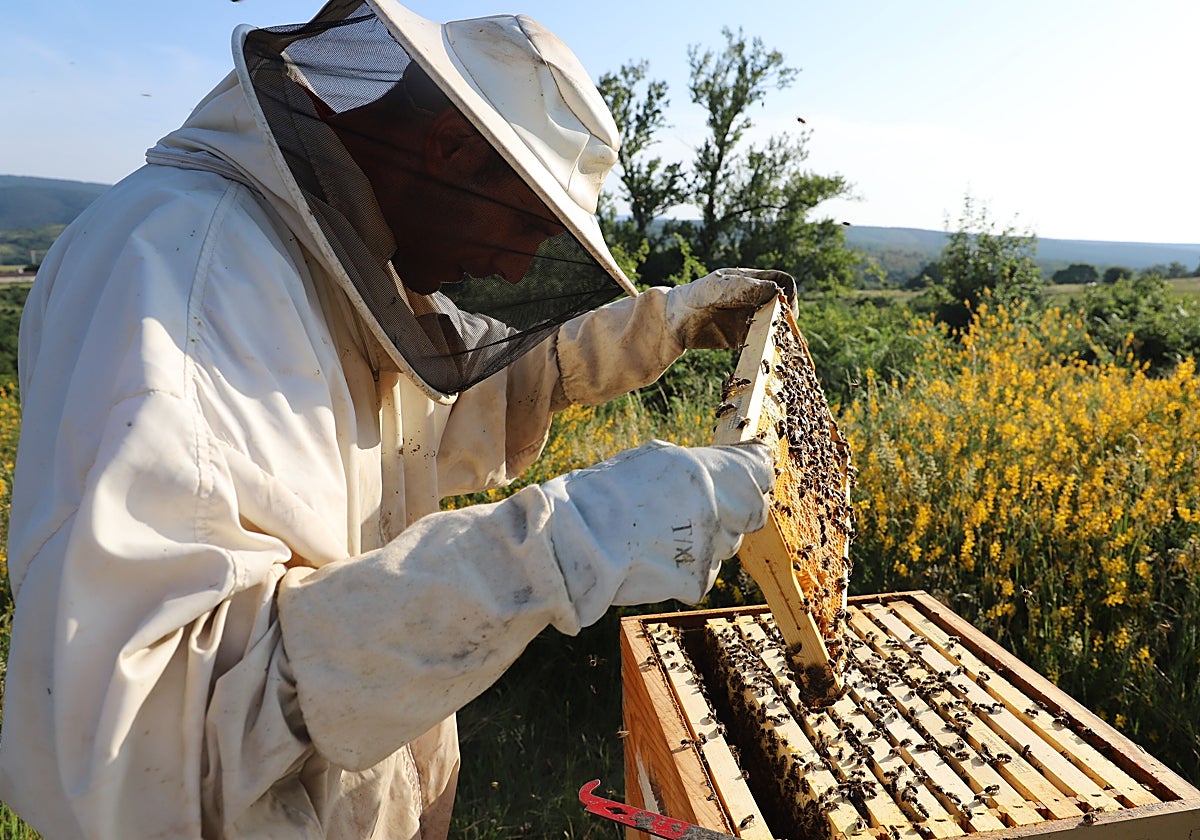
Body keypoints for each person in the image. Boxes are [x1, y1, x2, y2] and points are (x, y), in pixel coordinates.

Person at [0, 3, 795, 838]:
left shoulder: (329, 261)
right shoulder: (183, 277)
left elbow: (453, 396)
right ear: (450, 149)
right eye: (528, 225)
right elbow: (159, 735)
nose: (516, 268)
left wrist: (660, 325)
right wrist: (566, 542)